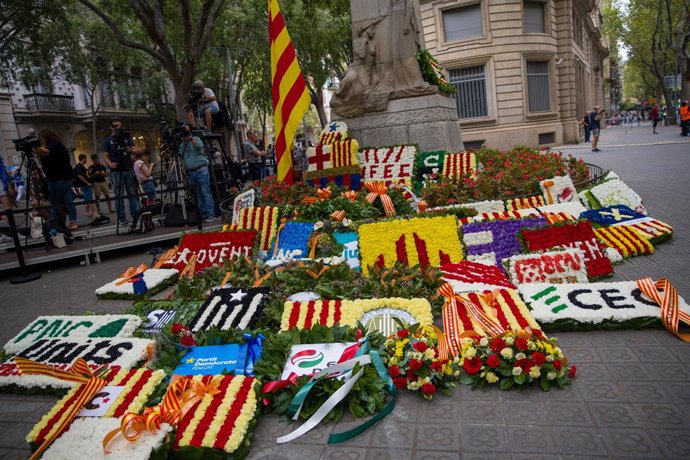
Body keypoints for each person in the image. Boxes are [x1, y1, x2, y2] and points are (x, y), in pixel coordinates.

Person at [36, 128, 78, 230]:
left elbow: (46, 153)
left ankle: (56, 225)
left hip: (56, 179)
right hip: (67, 178)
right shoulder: (61, 146)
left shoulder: (52, 146)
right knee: (68, 201)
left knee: (55, 203)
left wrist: (36, 147)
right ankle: (73, 222)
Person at [102, 117, 139, 225]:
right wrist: (110, 164)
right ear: (111, 127)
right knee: (119, 195)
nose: (118, 127)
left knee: (132, 193)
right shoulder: (107, 141)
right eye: (116, 126)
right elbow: (105, 156)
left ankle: (135, 215)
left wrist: (130, 149)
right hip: (116, 171)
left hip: (128, 168)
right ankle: (122, 218)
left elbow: (135, 149)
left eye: (120, 125)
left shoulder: (126, 138)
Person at [178, 125, 216, 222]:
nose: (184, 136)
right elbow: (179, 155)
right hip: (191, 172)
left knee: (205, 192)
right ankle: (203, 214)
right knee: (198, 194)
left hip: (201, 170)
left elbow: (199, 146)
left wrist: (190, 139)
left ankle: (210, 214)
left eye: (185, 134)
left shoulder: (196, 139)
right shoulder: (182, 144)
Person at [73, 154, 99, 219]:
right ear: (83, 158)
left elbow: (84, 175)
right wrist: (87, 183)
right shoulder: (79, 166)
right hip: (85, 186)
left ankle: (87, 212)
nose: (86, 160)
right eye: (86, 158)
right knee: (90, 199)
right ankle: (94, 213)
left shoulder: (81, 166)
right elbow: (80, 176)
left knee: (86, 200)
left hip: (84, 185)